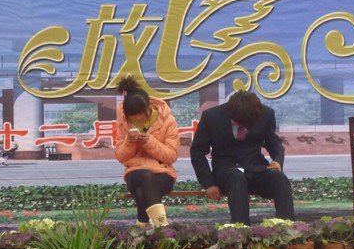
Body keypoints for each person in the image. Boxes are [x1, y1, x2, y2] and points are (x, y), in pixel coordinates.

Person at [190, 89, 295, 224]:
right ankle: (241, 230)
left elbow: (273, 142)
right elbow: (197, 151)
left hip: (256, 168)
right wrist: (209, 184)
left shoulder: (265, 114)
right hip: (226, 171)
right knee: (236, 178)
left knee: (279, 178)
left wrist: (278, 161)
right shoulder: (212, 117)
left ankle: (287, 226)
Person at [115, 76, 180, 228]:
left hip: (163, 173)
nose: (138, 118)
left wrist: (149, 141)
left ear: (148, 106)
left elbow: (171, 156)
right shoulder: (124, 122)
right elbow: (120, 156)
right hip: (135, 173)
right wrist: (129, 142)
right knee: (145, 176)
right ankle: (161, 227)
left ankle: (142, 226)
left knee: (141, 191)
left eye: (141, 113)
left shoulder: (167, 120)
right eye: (133, 116)